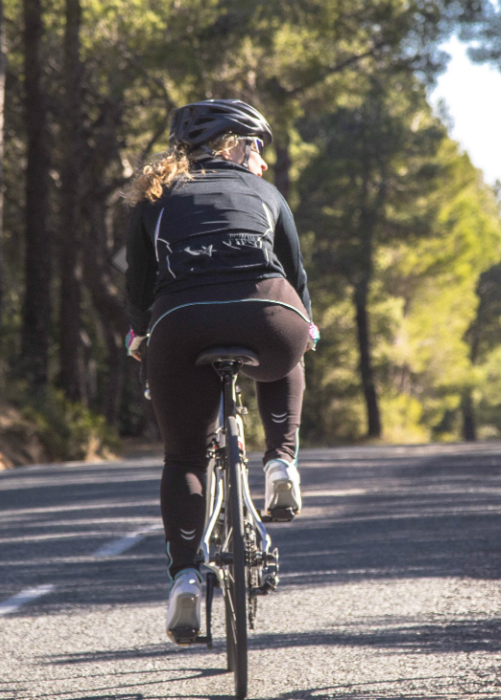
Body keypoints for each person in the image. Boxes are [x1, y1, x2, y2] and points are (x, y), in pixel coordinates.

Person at [123, 98, 318, 646]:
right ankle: (280, 463)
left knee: (184, 457)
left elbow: (139, 288)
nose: (262, 158)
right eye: (256, 145)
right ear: (233, 146)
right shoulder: (267, 194)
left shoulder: (155, 195)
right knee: (290, 347)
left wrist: (140, 336)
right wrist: (306, 327)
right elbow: (295, 275)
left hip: (181, 322)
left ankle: (186, 576)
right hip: (268, 313)